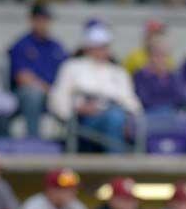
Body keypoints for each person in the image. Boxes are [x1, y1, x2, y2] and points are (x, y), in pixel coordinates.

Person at [48, 22, 141, 153]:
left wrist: (130, 117)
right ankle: (118, 168)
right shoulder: (72, 67)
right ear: (88, 48)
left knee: (117, 118)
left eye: (105, 47)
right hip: (84, 120)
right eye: (98, 47)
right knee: (114, 119)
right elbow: (58, 98)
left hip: (116, 115)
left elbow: (130, 100)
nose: (102, 51)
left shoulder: (118, 72)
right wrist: (77, 108)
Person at [8, 3, 67, 137]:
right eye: (40, 19)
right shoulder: (21, 45)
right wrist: (48, 89)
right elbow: (22, 76)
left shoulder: (57, 46)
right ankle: (33, 139)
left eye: (47, 19)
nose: (44, 23)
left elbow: (67, 71)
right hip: (28, 92)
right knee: (33, 94)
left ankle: (69, 142)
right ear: (32, 20)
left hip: (55, 91)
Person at [133, 35, 184, 113]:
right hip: (149, 114)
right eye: (157, 55)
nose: (161, 59)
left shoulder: (173, 75)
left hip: (171, 112)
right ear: (149, 56)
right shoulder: (140, 76)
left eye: (164, 55)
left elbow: (179, 97)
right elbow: (145, 100)